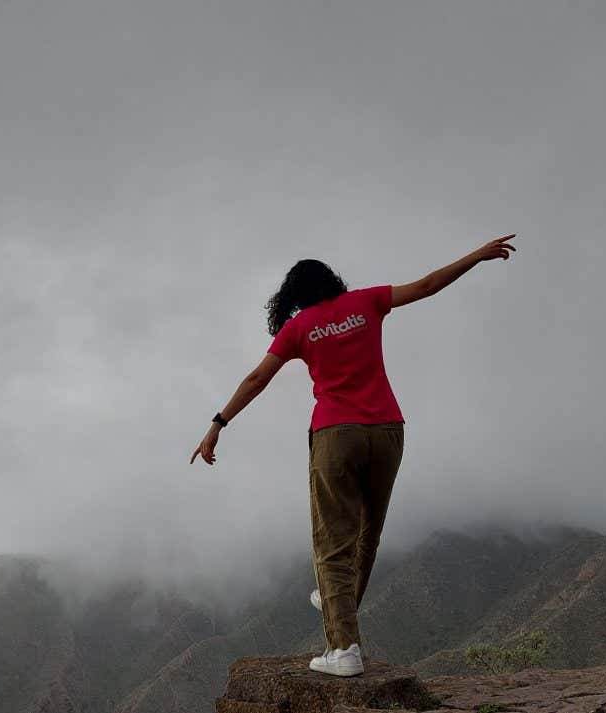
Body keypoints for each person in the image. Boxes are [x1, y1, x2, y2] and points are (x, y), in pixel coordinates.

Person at [190, 236, 517, 676]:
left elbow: (256, 380)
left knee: (332, 542)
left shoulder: (300, 327)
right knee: (368, 533)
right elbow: (428, 285)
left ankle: (343, 648)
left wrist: (218, 424)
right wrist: (477, 256)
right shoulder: (367, 302)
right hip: (387, 430)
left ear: (294, 294)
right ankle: (333, 601)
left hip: (335, 434)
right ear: (333, 280)